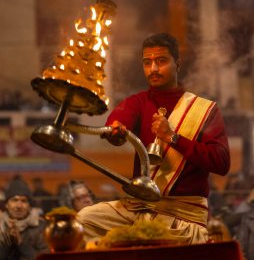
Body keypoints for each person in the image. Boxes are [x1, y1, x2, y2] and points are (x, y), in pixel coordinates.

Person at [77, 32, 230, 245]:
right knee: (83, 221)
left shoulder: (205, 110)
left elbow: (221, 163)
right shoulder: (138, 102)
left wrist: (173, 137)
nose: (153, 69)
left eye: (161, 61)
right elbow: (120, 117)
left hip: (183, 218)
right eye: (147, 62)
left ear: (177, 64)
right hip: (138, 208)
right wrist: (116, 129)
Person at [0, 178, 48, 260]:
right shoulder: (0, 225)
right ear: (6, 204)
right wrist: (8, 241)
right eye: (14, 200)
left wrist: (21, 243)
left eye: (24, 201)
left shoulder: (41, 227)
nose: (19, 206)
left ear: (29, 206)